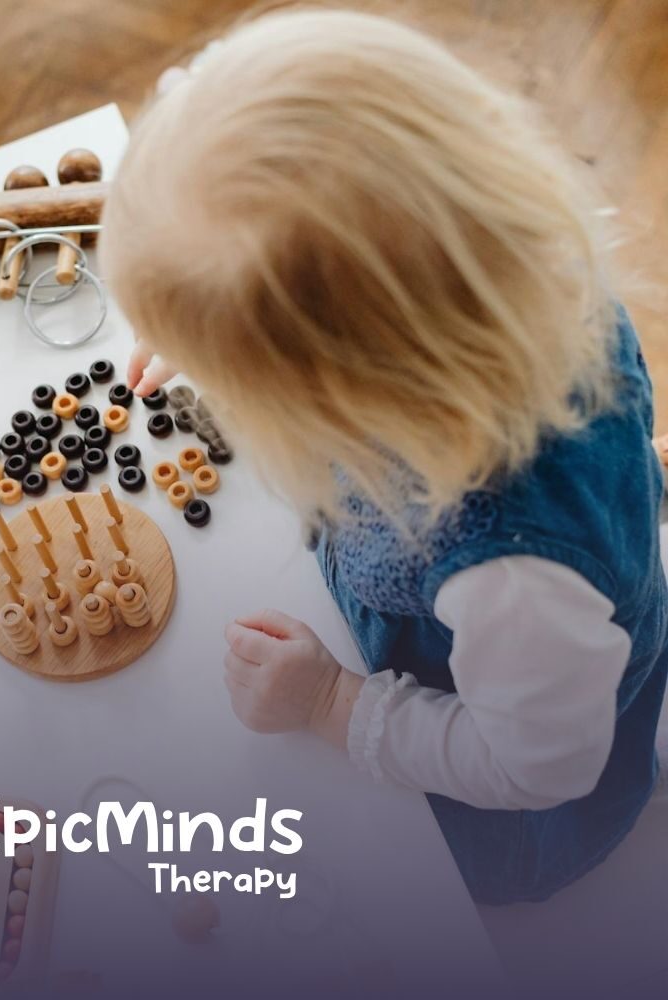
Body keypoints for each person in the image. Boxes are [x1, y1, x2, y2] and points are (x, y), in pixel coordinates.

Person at [103, 8, 667, 905]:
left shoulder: (512, 570)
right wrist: (226, 334)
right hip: (468, 610)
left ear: (348, 396)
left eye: (257, 384)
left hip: (496, 786)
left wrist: (332, 704)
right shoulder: (509, 272)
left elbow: (541, 766)